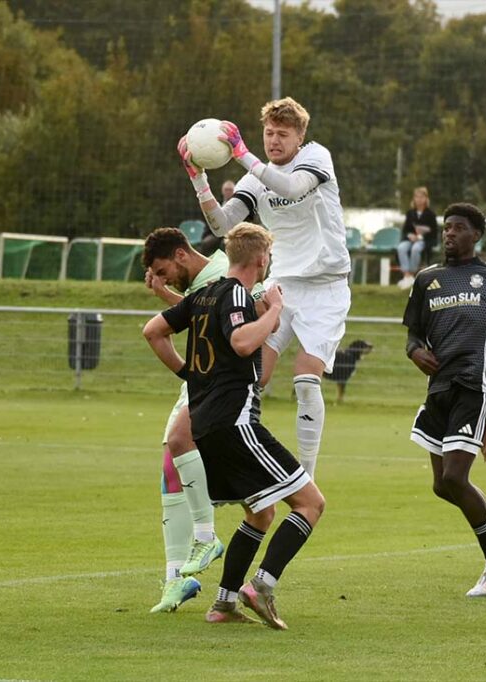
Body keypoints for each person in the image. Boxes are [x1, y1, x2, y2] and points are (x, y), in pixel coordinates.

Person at [143, 223, 326, 629]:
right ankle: (261, 585)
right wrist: (275, 310)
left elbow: (153, 331)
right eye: (268, 258)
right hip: (237, 423)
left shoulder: (203, 295)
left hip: (206, 428)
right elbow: (243, 342)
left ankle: (223, 605)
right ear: (261, 259)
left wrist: (190, 375)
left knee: (261, 513)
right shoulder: (239, 294)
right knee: (311, 504)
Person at [177, 96, 351, 480]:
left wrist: (242, 154)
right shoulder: (255, 178)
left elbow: (292, 187)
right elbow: (223, 226)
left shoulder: (316, 157)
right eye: (269, 133)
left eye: (282, 134)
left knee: (306, 379)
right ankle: (242, 458)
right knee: (252, 376)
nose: (274, 140)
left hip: (326, 286)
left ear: (300, 136)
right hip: (281, 286)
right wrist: (198, 177)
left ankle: (306, 478)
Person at [402, 203, 486, 597]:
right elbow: (412, 335)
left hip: (473, 386)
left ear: (476, 235)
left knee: (456, 478)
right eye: (446, 228)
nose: (449, 234)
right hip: (438, 389)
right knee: (442, 486)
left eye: (458, 228)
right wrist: (415, 352)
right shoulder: (426, 280)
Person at [141, 227, 230, 613]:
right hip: (200, 380)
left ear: (181, 254)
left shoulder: (222, 273)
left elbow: (214, 321)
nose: (165, 279)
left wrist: (189, 374)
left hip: (222, 382)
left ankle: (208, 538)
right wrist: (166, 294)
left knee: (251, 491)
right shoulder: (199, 284)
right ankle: (176, 579)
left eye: (164, 271)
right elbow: (195, 316)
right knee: (170, 469)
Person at [396, 187, 438, 289]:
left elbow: (433, 231)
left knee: (416, 249)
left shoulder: (431, 214)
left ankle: (411, 273)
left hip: (424, 240)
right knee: (401, 248)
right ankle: (407, 275)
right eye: (417, 197)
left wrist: (420, 236)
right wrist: (410, 235)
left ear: (426, 199)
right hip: (411, 239)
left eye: (421, 197)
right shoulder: (410, 213)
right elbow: (406, 229)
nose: (419, 199)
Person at [197, 180, 236, 255]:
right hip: (215, 233)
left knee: (225, 244)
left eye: (230, 190)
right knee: (206, 243)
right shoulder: (215, 202)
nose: (228, 192)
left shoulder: (238, 205)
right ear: (222, 191)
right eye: (226, 190)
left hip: (231, 234)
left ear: (234, 191)